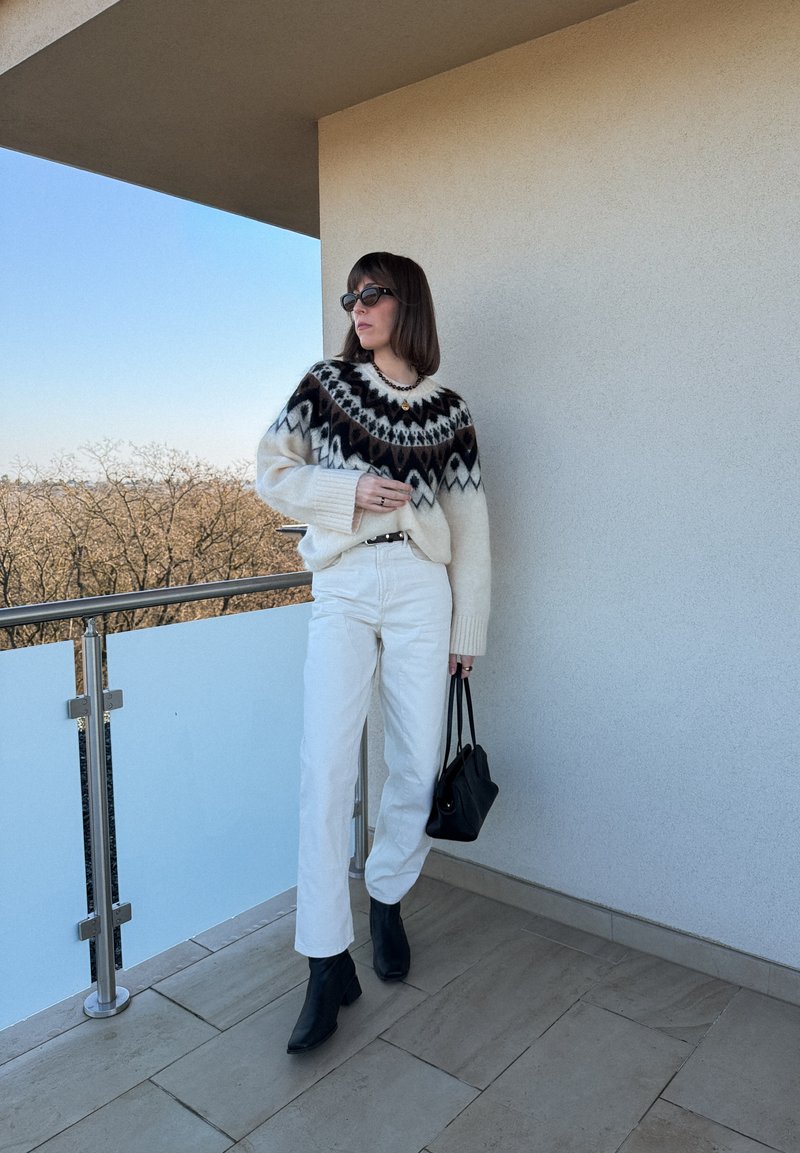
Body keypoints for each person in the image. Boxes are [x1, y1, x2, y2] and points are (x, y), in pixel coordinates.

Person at [256, 251, 490, 1054]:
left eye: (374, 293)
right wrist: (346, 492)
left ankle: (387, 891)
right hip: (346, 580)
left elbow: (473, 528)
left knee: (415, 758)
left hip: (424, 583)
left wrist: (469, 630)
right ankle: (326, 961)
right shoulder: (324, 384)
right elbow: (271, 472)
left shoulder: (448, 410)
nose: (358, 305)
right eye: (351, 294)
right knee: (326, 765)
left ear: (407, 304)